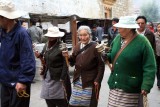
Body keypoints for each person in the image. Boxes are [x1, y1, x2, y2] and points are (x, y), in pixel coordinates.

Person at [104, 16, 156, 106]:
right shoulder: (117, 39)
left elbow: (150, 66)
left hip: (131, 87)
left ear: (129, 29)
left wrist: (146, 85)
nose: (118, 29)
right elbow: (112, 54)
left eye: (120, 27)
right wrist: (106, 56)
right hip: (115, 86)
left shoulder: (142, 42)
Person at [0, 1, 35, 107]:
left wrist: (23, 81)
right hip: (6, 82)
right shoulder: (3, 32)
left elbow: (28, 59)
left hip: (18, 83)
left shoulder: (22, 34)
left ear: (5, 18)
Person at [62, 25, 105, 107]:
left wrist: (98, 80)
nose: (83, 37)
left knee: (87, 103)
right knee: (74, 103)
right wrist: (67, 56)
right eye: (80, 35)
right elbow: (72, 60)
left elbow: (101, 65)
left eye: (85, 35)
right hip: (78, 79)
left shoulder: (95, 46)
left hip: (89, 81)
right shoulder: (78, 45)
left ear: (89, 35)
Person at [34, 26, 71, 107]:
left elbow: (66, 63)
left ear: (57, 36)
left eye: (53, 36)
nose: (50, 38)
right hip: (47, 74)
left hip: (58, 76)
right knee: (48, 97)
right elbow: (43, 55)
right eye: (49, 36)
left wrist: (63, 77)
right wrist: (39, 55)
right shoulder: (46, 45)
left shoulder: (62, 46)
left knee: (60, 98)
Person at [154, 23, 160, 89]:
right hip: (156, 55)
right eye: (158, 27)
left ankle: (159, 83)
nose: (159, 28)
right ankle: (158, 81)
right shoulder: (154, 35)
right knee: (157, 69)